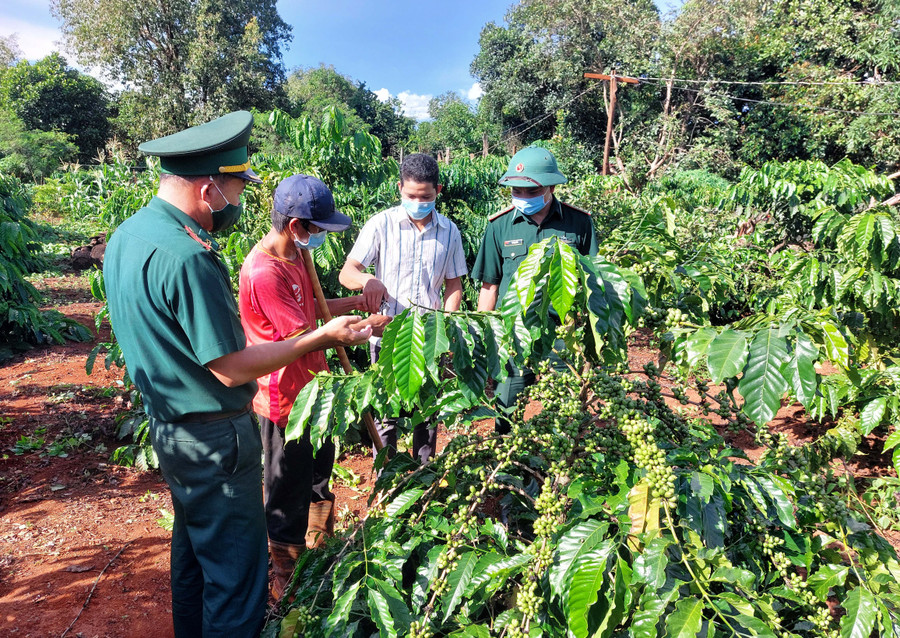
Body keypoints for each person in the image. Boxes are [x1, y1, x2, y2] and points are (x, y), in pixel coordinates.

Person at [103, 111, 371, 638]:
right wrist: (322, 337)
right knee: (236, 577)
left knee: (194, 559)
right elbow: (229, 368)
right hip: (215, 438)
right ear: (209, 189)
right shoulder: (189, 257)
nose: (239, 200)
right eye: (237, 188)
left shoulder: (128, 237)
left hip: (171, 432)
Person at [238, 174, 386, 598]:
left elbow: (315, 311)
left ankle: (318, 555)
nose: (320, 236)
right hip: (285, 401)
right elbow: (303, 338)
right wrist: (359, 331)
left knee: (319, 479)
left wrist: (355, 304)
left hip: (316, 392)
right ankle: (285, 583)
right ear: (294, 226)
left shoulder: (297, 256)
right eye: (317, 228)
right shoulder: (265, 272)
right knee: (287, 495)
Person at [339, 153, 467, 463]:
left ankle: (424, 476)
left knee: (428, 414)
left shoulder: (449, 231)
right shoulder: (381, 224)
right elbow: (348, 272)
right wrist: (368, 280)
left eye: (425, 197)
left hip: (430, 339)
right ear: (399, 188)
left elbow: (454, 285)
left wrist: (447, 327)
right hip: (387, 337)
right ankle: (387, 478)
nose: (418, 202)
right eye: (411, 196)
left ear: (438, 191)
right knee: (386, 414)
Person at [471, 146, 598, 434]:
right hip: (514, 334)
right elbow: (489, 286)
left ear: (551, 186)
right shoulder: (499, 226)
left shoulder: (579, 223)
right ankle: (508, 459)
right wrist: (486, 338)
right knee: (507, 412)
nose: (523, 198)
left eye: (532, 191)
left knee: (566, 415)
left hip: (564, 334)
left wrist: (591, 341)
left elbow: (593, 282)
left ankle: (561, 462)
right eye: (516, 191)